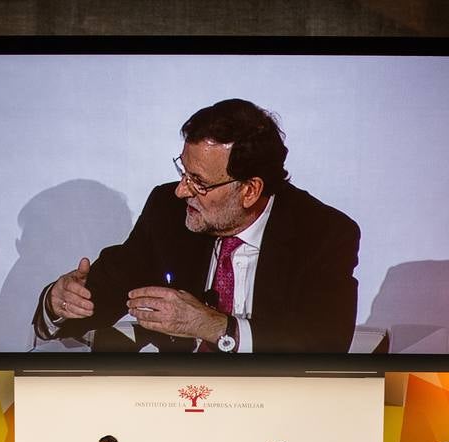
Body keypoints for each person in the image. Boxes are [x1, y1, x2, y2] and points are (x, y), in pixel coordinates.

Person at [33, 98, 360, 354]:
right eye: (183, 172)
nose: (181, 190)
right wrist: (58, 303)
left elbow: (323, 342)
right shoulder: (168, 210)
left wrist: (216, 327)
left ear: (249, 190)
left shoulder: (323, 233)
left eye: (198, 182)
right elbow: (109, 288)